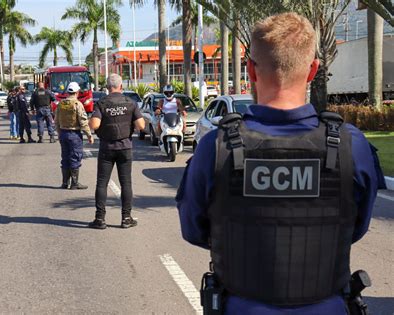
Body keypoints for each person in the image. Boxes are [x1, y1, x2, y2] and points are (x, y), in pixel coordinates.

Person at [177, 12, 385, 314]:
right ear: (313, 70)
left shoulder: (216, 146)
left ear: (250, 69)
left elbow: (194, 230)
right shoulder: (351, 146)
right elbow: (356, 226)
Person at [89, 73, 145, 230]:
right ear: (121, 86)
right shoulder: (130, 103)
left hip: (107, 148)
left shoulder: (102, 103)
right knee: (126, 183)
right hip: (125, 148)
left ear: (107, 88)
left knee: (102, 183)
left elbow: (94, 124)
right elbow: (141, 125)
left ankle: (100, 219)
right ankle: (126, 218)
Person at [55, 82, 93, 190]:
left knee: (65, 157)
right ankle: (74, 183)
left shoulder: (61, 104)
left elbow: (56, 121)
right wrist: (89, 135)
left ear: (68, 92)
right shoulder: (77, 104)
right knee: (75, 157)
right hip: (74, 134)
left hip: (63, 133)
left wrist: (59, 133)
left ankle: (65, 183)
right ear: (77, 92)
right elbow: (83, 121)